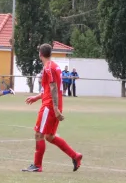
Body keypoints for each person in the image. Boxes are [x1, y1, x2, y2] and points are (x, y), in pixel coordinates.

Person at [21, 44, 83, 173]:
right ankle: (75, 156)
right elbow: (50, 89)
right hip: (55, 104)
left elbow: (54, 87)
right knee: (49, 136)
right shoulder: (54, 66)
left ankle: (37, 165)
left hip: (50, 106)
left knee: (39, 134)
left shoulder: (48, 67)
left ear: (40, 54)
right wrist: (37, 97)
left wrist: (54, 108)